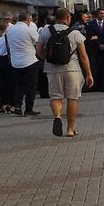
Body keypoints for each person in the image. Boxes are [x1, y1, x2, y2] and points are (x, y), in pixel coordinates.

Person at [36, 8, 94, 138]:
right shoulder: (75, 33)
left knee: (56, 97)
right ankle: (70, 129)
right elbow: (83, 56)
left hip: (52, 69)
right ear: (68, 18)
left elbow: (39, 51)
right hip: (72, 69)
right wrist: (89, 73)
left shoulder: (45, 31)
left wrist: (49, 59)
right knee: (72, 98)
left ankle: (57, 116)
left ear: (55, 18)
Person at [7, 11, 41, 116]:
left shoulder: (10, 29)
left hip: (16, 62)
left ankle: (17, 105)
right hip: (30, 61)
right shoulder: (29, 30)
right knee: (31, 86)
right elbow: (38, 41)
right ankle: (29, 109)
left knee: (19, 85)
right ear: (28, 19)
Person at [0, 18, 18, 115]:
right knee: (11, 83)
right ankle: (11, 103)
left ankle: (1, 104)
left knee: (0, 84)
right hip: (7, 60)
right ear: (6, 28)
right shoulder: (9, 36)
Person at [84, 8, 104, 91]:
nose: (103, 15)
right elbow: (90, 37)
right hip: (95, 48)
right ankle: (96, 85)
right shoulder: (91, 24)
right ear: (97, 14)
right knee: (96, 67)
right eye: (101, 13)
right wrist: (99, 44)